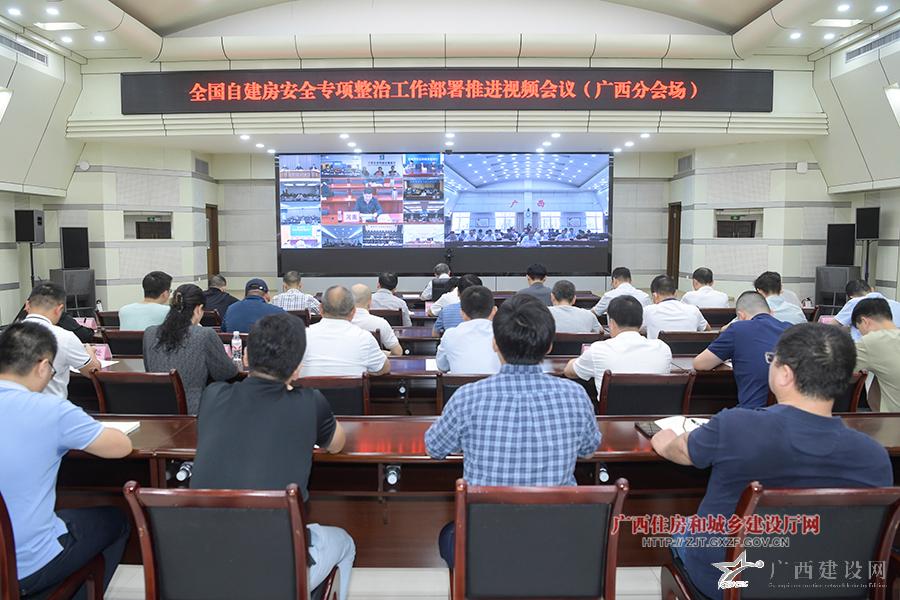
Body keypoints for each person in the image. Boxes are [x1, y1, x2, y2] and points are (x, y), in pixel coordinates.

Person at [651, 323, 892, 600]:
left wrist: (663, 438)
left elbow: (680, 451)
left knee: (683, 528)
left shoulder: (736, 426)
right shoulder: (874, 456)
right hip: (827, 583)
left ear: (785, 374)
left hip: (731, 581)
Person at [426, 295, 601, 567]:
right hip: (557, 538)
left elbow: (434, 448)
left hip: (488, 543)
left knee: (447, 534)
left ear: (495, 343)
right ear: (549, 345)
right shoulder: (575, 396)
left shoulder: (467, 397)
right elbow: (589, 450)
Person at [190, 313, 355, 599]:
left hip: (204, 562)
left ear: (245, 358)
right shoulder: (309, 401)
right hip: (275, 570)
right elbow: (336, 444)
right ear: (297, 368)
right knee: (345, 543)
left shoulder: (213, 395)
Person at [0, 322, 132, 598]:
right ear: (42, 366)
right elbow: (120, 447)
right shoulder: (50, 410)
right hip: (23, 565)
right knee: (116, 519)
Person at [144, 284, 238, 414]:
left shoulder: (149, 333)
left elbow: (149, 368)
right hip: (194, 411)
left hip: (156, 410)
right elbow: (226, 373)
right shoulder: (204, 334)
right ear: (198, 309)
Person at [693, 291, 791, 408]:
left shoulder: (737, 329)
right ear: (772, 313)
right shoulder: (791, 329)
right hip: (791, 412)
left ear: (741, 316)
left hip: (752, 412)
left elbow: (700, 364)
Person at [565, 296, 671, 395]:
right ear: (641, 322)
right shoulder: (662, 349)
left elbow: (569, 372)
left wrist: (578, 359)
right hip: (657, 409)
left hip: (612, 409)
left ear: (611, 323)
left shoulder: (598, 350)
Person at [23, 282, 100, 399]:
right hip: (51, 407)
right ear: (59, 309)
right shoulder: (65, 337)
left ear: (27, 305)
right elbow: (93, 371)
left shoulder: (6, 335)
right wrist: (90, 351)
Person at [300, 286, 391, 377]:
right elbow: (384, 368)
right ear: (353, 312)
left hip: (308, 386)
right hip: (354, 387)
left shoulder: (302, 336)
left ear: (320, 309)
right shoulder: (365, 338)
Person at [435, 286, 500, 375]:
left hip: (460, 384)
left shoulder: (450, 335)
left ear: (462, 313)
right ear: (494, 311)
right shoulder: (503, 334)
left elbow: (442, 367)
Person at [852, 298, 900, 412]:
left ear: (865, 322)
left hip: (894, 421)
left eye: (859, 329)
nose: (861, 334)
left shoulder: (872, 341)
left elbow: (836, 370)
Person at [642, 275, 709, 340]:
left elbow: (637, 330)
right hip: (689, 348)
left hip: (658, 348)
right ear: (676, 293)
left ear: (654, 296)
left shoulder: (648, 311)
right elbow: (707, 330)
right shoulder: (693, 310)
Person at [832, 279, 900, 340]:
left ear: (851, 296)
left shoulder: (855, 302)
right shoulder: (896, 304)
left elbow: (833, 325)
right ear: (872, 289)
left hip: (864, 347)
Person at [350, 284, 404, 356]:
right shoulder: (381, 323)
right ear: (370, 303)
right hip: (374, 362)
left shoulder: (341, 324)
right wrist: (380, 353)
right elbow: (398, 353)